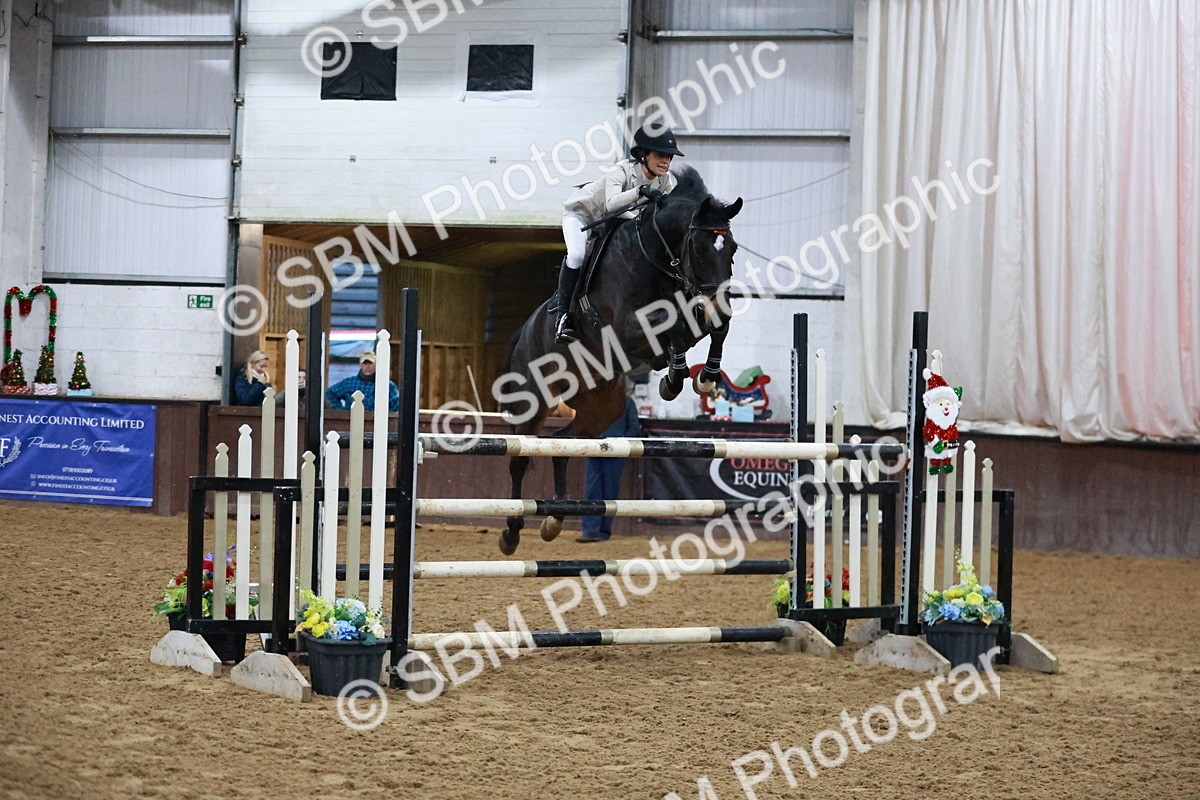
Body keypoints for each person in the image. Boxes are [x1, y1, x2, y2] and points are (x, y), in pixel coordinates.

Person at [555, 124, 685, 343]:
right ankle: (563, 316)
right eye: (661, 155)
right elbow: (611, 205)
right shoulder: (620, 171)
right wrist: (640, 191)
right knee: (576, 255)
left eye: (669, 157)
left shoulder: (666, 181)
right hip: (583, 216)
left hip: (616, 221)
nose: (666, 161)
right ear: (643, 154)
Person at [577, 395, 641, 543]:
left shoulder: (626, 402)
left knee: (607, 491)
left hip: (613, 453)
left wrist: (620, 445)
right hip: (596, 450)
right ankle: (591, 531)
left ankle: (600, 530)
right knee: (593, 490)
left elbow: (634, 427)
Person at [325, 351, 400, 412]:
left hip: (376, 422)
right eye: (365, 363)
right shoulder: (348, 383)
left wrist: (386, 417)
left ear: (376, 364)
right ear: (360, 364)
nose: (368, 366)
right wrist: (342, 411)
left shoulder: (387, 385)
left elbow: (396, 404)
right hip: (352, 421)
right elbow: (329, 394)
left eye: (370, 363)